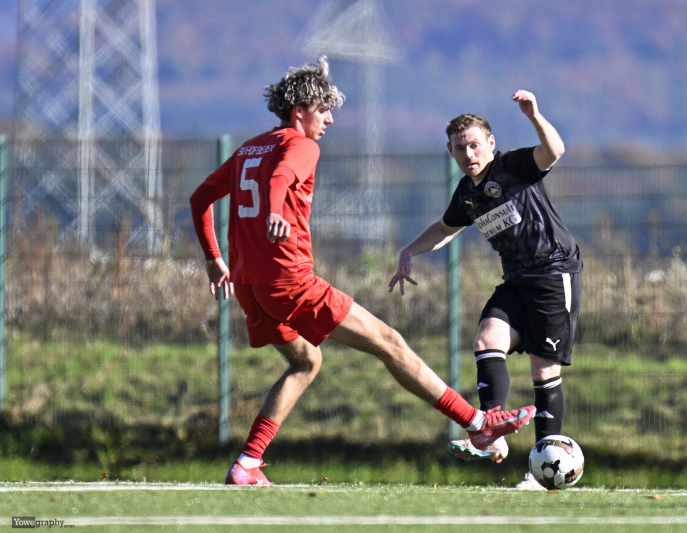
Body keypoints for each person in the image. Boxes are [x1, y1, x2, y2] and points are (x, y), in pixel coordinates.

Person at [189, 57, 536, 486]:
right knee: (389, 342)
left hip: (249, 286)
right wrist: (276, 210)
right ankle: (477, 424)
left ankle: (247, 462)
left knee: (306, 362)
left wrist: (213, 257)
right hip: (290, 282)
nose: (330, 120)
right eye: (323, 109)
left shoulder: (248, 149)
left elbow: (200, 198)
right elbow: (281, 176)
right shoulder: (302, 146)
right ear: (299, 111)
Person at [389, 90, 581, 491]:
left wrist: (534, 115)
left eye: (475, 144)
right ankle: (490, 430)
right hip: (516, 279)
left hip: (553, 272)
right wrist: (409, 251)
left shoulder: (513, 166)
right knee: (486, 340)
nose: (468, 153)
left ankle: (540, 473)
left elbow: (555, 150)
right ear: (450, 151)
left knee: (543, 371)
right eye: (460, 148)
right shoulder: (467, 192)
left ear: (491, 143)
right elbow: (445, 229)